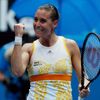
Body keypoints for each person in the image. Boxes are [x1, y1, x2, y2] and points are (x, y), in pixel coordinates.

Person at [11, 4, 89, 100]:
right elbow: (17, 71)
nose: (37, 24)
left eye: (42, 21)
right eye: (35, 19)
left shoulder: (70, 45)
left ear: (55, 23)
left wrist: (84, 86)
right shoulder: (29, 48)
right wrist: (18, 37)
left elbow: (83, 76)